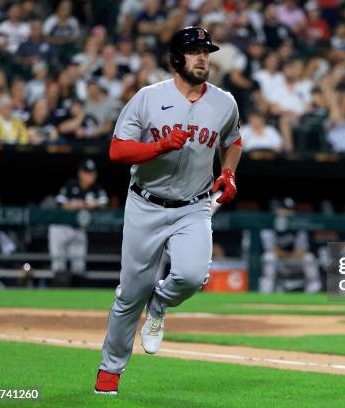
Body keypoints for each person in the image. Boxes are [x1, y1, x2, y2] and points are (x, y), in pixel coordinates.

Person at [95, 26, 242, 395]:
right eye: (195, 52)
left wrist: (227, 172)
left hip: (193, 206)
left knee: (192, 276)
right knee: (130, 294)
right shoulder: (148, 98)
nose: (202, 58)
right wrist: (158, 147)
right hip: (146, 203)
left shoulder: (224, 102)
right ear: (177, 58)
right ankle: (109, 371)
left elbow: (233, 140)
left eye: (206, 52)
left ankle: (159, 306)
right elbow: (117, 150)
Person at [48, 159, 108, 287]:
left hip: (79, 229)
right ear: (80, 173)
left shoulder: (96, 189)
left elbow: (104, 202)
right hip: (61, 228)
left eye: (92, 173)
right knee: (58, 264)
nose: (90, 176)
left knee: (79, 265)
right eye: (87, 173)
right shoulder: (71, 185)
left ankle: (75, 297)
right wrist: (74, 204)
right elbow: (59, 203)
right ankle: (57, 295)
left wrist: (91, 204)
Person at [258, 198, 322, 294]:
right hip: (279, 262)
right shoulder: (269, 225)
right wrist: (287, 255)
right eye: (283, 209)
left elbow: (302, 250)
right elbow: (271, 249)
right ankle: (266, 293)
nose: (286, 213)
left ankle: (312, 292)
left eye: (289, 210)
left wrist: (289, 256)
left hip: (294, 261)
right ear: (277, 210)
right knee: (269, 257)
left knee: (309, 258)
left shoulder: (298, 226)